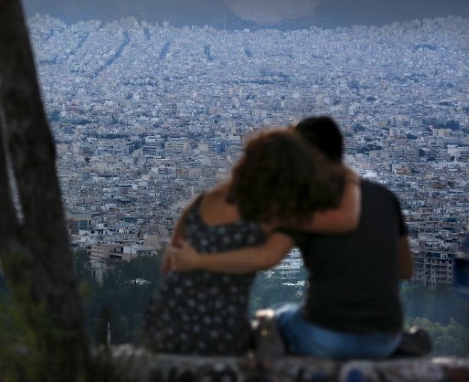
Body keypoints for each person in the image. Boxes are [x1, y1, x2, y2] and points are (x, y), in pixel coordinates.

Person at [169, 116, 413, 359]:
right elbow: (405, 269)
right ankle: (405, 344)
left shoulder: (307, 203)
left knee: (273, 319)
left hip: (325, 338)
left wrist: (198, 260)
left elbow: (266, 257)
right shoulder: (385, 197)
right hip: (386, 339)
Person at [143, 127, 360, 356]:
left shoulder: (201, 203)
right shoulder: (272, 214)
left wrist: (195, 262)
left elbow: (169, 265)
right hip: (218, 330)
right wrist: (350, 178)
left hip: (163, 324)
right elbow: (345, 221)